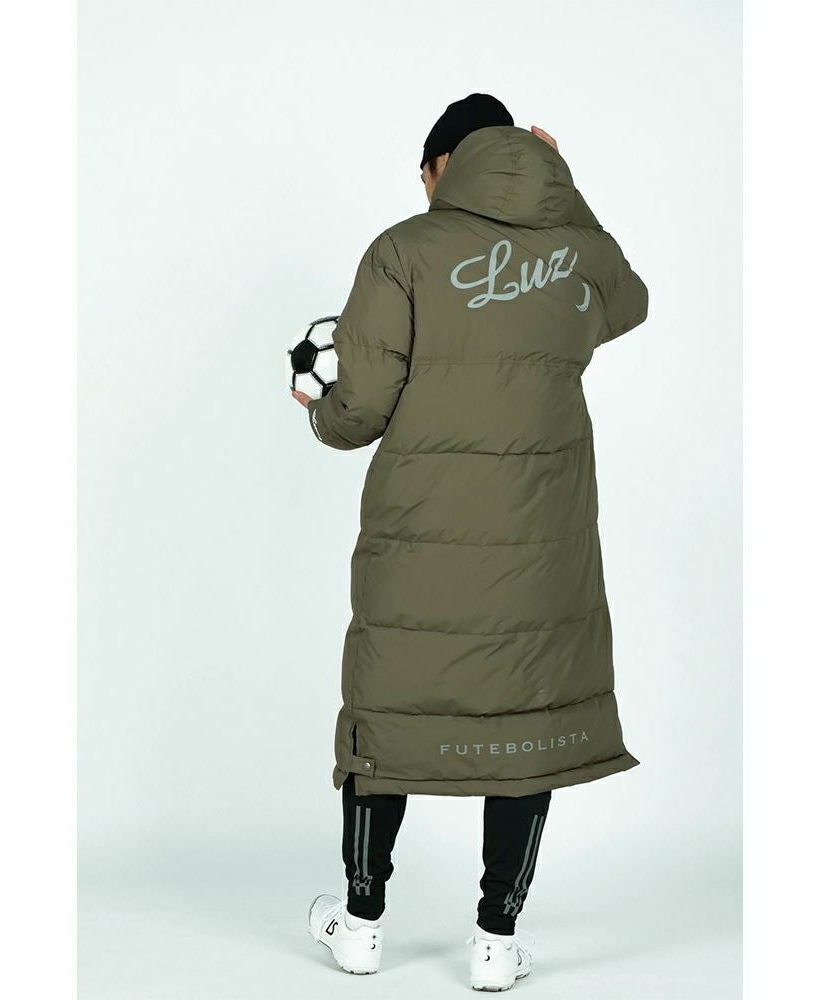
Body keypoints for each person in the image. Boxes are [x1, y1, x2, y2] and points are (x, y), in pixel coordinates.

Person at [292, 93, 648, 991]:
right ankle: (496, 941)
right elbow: (628, 300)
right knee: (527, 719)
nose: (422, 189)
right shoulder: (572, 250)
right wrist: (562, 190)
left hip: (421, 534)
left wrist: (319, 412)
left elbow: (361, 411)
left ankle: (361, 925)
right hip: (542, 542)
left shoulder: (403, 250)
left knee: (391, 712)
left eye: (424, 173)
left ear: (444, 164)